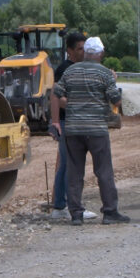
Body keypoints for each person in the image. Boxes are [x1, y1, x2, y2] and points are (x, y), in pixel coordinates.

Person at [50, 36, 127, 226]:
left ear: (86, 53)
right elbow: (115, 100)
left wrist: (55, 122)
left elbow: (55, 93)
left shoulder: (70, 71)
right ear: (101, 53)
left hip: (74, 129)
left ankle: (75, 214)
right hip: (97, 130)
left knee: (74, 172)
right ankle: (110, 212)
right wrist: (114, 83)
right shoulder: (105, 74)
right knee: (104, 171)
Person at [48, 32, 98, 221]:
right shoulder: (65, 69)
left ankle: (61, 205)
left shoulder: (77, 67)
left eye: (85, 48)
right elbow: (57, 97)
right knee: (71, 165)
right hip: (68, 122)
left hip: (71, 121)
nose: (83, 52)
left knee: (67, 164)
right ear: (69, 51)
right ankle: (70, 206)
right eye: (79, 48)